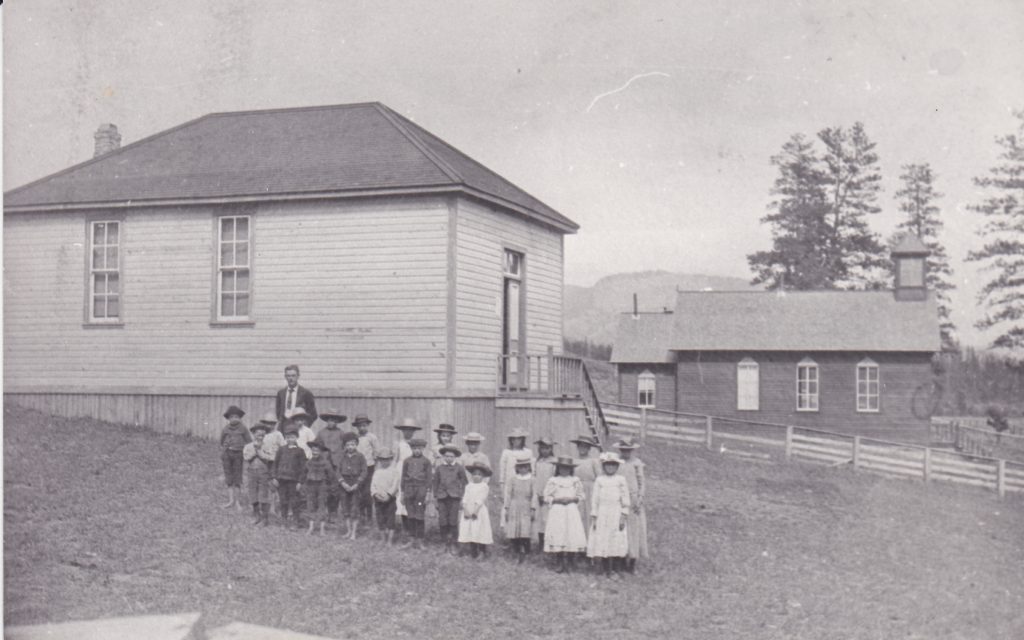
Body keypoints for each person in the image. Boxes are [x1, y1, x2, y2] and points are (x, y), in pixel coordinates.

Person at [587, 452, 630, 579]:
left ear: (617, 466)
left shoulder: (621, 480)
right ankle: (602, 568)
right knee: (601, 539)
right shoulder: (600, 480)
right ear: (603, 466)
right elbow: (594, 499)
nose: (610, 468)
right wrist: (594, 516)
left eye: (613, 465)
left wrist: (623, 515)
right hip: (602, 513)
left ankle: (613, 569)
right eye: (607, 465)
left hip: (615, 513)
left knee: (614, 539)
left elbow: (625, 499)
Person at [542, 456, 587, 573]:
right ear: (558, 468)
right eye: (562, 468)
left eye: (567, 468)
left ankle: (571, 561)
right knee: (559, 533)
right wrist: (557, 500)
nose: (564, 470)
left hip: (571, 510)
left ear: (571, 469)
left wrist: (572, 499)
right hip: (558, 510)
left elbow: (581, 496)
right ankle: (560, 562)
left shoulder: (575, 480)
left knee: (571, 533)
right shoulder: (553, 480)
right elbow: (546, 496)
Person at [615, 438, 649, 572]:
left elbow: (641, 482)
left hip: (633, 498)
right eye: (623, 450)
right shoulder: (617, 462)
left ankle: (633, 562)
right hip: (619, 499)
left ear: (632, 451)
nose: (626, 453)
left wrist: (640, 498)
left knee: (634, 530)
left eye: (628, 451)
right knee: (622, 529)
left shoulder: (636, 463)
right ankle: (622, 558)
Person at [313, 409, 347, 523]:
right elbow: (315, 447)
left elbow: (345, 448)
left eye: (334, 420)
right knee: (324, 488)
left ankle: (333, 512)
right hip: (325, 464)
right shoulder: (321, 433)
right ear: (326, 421)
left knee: (335, 489)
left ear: (337, 421)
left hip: (337, 464)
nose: (331, 422)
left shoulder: (341, 433)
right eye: (329, 420)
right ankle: (324, 512)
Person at [432, 444, 468, 555]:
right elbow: (435, 483)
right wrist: (435, 497)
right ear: (443, 457)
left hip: (454, 498)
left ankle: (453, 543)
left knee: (453, 521)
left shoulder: (459, 468)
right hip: (442, 497)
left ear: (455, 457)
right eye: (446, 456)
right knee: (443, 521)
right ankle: (444, 543)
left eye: (451, 456)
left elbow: (465, 483)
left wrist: (461, 496)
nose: (449, 458)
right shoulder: (439, 468)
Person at [503, 451, 537, 564]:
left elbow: (534, 495)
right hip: (514, 505)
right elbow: (508, 494)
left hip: (526, 506)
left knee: (525, 528)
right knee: (514, 527)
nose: (523, 469)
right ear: (517, 468)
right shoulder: (513, 479)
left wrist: (533, 508)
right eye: (521, 467)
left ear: (529, 467)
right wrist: (507, 508)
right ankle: (515, 548)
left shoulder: (532, 479)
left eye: (526, 467)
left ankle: (525, 549)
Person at [271, 423, 307, 530]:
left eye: (292, 437)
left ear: (296, 437)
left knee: (294, 501)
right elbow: (275, 464)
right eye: (288, 437)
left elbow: (303, 468)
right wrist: (274, 477)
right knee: (283, 501)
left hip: (293, 481)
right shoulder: (281, 450)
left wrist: (300, 482)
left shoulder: (300, 451)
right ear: (285, 437)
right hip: (281, 480)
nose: (290, 439)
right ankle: (284, 521)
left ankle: (295, 521)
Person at [498, 428, 534, 530]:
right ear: (511, 440)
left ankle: (522, 531)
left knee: (523, 505)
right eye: (513, 439)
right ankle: (507, 532)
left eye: (519, 439)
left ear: (522, 440)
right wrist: (501, 486)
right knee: (508, 505)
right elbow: (502, 470)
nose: (516, 441)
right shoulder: (506, 452)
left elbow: (531, 469)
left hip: (524, 482)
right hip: (509, 483)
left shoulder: (528, 452)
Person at [400, 437, 432, 550]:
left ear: (423, 448)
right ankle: (411, 540)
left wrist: (428, 493)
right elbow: (403, 477)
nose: (416, 450)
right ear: (411, 449)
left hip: (421, 490)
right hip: (409, 490)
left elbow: (429, 479)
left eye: (419, 448)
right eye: (414, 448)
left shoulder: (426, 462)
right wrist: (402, 493)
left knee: (419, 516)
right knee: (411, 516)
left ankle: (420, 541)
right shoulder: (407, 461)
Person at [301, 440, 338, 536]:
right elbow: (303, 475)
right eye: (313, 450)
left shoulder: (326, 463)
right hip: (310, 486)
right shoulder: (308, 462)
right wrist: (302, 484)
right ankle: (311, 527)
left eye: (317, 451)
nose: (315, 452)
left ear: (321, 452)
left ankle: (322, 528)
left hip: (322, 486)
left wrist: (332, 488)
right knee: (310, 505)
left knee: (322, 505)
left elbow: (332, 477)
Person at [337, 432, 368, 540]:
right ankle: (348, 531)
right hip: (344, 484)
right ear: (345, 445)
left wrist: (357, 483)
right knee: (345, 508)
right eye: (348, 445)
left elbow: (364, 471)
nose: (350, 447)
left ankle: (354, 533)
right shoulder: (341, 456)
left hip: (355, 484)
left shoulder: (360, 456)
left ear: (356, 445)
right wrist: (342, 483)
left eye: (353, 444)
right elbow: (337, 471)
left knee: (355, 508)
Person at [243, 421, 275, 526]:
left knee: (263, 494)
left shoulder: (268, 446)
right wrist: (254, 452)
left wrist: (261, 453)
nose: (260, 436)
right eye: (258, 433)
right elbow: (246, 457)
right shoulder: (248, 446)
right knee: (253, 493)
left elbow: (272, 458)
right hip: (252, 472)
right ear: (253, 434)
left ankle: (265, 518)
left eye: (262, 434)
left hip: (263, 472)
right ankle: (257, 516)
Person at [220, 405, 252, 510]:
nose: (234, 419)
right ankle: (230, 500)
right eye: (232, 417)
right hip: (227, 454)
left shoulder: (243, 429)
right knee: (229, 477)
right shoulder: (225, 429)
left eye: (237, 417)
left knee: (237, 478)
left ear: (240, 418)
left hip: (238, 455)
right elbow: (221, 441)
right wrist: (225, 450)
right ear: (228, 418)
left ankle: (237, 501)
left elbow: (249, 442)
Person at [459, 463, 494, 559]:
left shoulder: (484, 486)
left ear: (483, 476)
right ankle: (473, 551)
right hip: (468, 510)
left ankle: (482, 551)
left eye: (479, 474)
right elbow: (465, 498)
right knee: (470, 529)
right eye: (474, 474)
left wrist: (476, 511)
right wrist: (465, 509)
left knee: (479, 529)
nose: (476, 476)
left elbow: (481, 499)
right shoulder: (469, 486)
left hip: (478, 511)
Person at [392, 417, 421, 534]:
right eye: (405, 430)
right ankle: (405, 527)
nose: (408, 432)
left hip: (413, 472)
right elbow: (395, 459)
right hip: (401, 471)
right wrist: (393, 473)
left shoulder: (417, 444)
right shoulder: (399, 444)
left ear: (414, 432)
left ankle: (414, 527)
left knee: (413, 498)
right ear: (402, 431)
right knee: (402, 499)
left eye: (410, 430)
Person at [352, 413, 380, 523]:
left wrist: (375, 464)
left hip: (369, 467)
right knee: (358, 491)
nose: (362, 428)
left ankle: (369, 515)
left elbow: (376, 452)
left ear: (367, 425)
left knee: (367, 492)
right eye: (360, 426)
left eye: (364, 425)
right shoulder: (355, 437)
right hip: (357, 468)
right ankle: (361, 514)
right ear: (357, 427)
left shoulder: (372, 437)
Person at [370, 447, 400, 546]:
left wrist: (389, 495)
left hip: (390, 499)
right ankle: (383, 538)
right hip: (378, 499)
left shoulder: (394, 471)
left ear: (391, 459)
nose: (384, 462)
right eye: (382, 460)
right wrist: (375, 494)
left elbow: (395, 485)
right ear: (379, 460)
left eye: (387, 459)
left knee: (390, 519)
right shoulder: (377, 472)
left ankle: (389, 540)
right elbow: (373, 485)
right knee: (380, 519)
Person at [532, 437, 558, 552]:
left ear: (551, 449)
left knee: (548, 519)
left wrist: (547, 494)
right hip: (538, 493)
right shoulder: (537, 462)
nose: (544, 451)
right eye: (542, 448)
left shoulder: (554, 462)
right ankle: (541, 543)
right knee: (539, 519)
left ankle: (550, 543)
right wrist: (537, 493)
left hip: (549, 494)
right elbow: (534, 477)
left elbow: (554, 480)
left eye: (547, 448)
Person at [569, 434, 601, 526]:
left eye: (585, 446)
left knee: (589, 513)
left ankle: (589, 537)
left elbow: (599, 478)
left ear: (589, 448)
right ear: (577, 447)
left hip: (590, 490)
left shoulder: (593, 461)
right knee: (577, 513)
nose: (582, 448)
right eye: (580, 446)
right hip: (576, 490)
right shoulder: (573, 461)